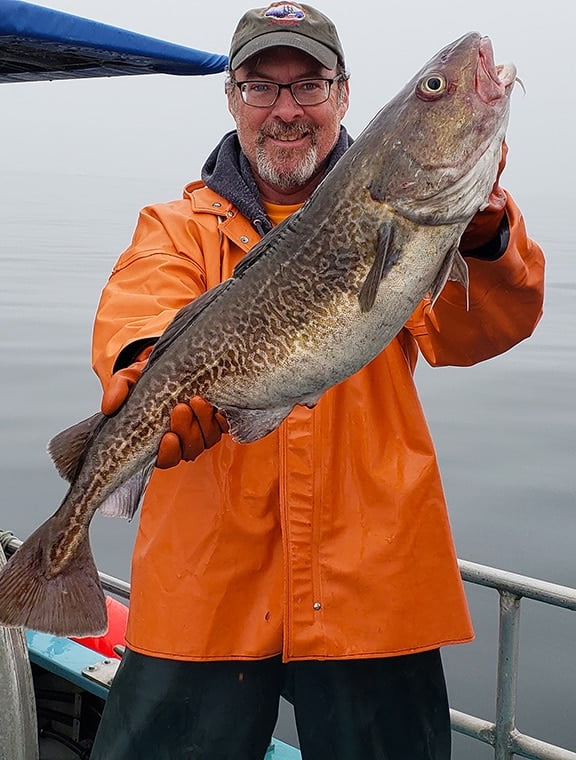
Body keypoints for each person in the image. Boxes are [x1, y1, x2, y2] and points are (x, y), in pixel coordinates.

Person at [89, 4, 545, 759]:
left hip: (371, 583)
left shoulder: (420, 215)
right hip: (208, 589)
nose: (287, 110)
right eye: (262, 88)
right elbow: (140, 310)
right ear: (232, 99)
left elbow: (481, 331)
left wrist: (487, 235)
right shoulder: (174, 226)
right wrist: (144, 375)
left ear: (343, 95)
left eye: (308, 85)